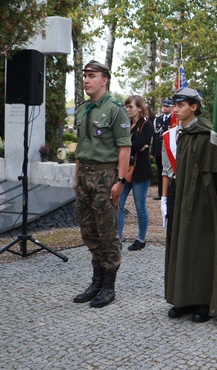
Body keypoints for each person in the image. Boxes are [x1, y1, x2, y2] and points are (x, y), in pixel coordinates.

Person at [163, 87, 217, 323]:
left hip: (204, 200)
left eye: (181, 105)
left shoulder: (207, 133)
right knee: (183, 245)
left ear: (194, 107)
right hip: (184, 197)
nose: (176, 109)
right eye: (175, 105)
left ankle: (204, 301)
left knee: (203, 249)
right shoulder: (182, 134)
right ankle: (184, 298)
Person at [72, 60, 131, 308]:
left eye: (92, 75)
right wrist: (76, 176)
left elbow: (125, 147)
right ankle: (96, 282)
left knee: (107, 232)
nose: (86, 79)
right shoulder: (83, 109)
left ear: (104, 80)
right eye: (85, 75)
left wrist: (120, 180)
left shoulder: (116, 110)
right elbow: (80, 147)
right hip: (85, 175)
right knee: (89, 230)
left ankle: (108, 286)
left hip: (105, 175)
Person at [118, 95, 154, 251]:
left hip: (140, 171)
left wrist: (131, 145)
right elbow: (119, 143)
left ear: (140, 108)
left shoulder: (147, 125)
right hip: (125, 171)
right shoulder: (125, 125)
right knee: (118, 204)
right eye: (126, 107)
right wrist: (134, 146)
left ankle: (141, 238)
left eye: (130, 106)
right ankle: (118, 237)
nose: (128, 109)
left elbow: (140, 143)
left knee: (140, 206)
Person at [151, 98, 174, 200]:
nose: (165, 108)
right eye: (164, 106)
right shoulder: (158, 119)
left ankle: (170, 193)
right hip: (159, 150)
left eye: (167, 106)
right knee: (161, 171)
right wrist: (153, 151)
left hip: (169, 150)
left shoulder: (174, 119)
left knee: (170, 172)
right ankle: (161, 193)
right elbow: (154, 137)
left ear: (172, 108)